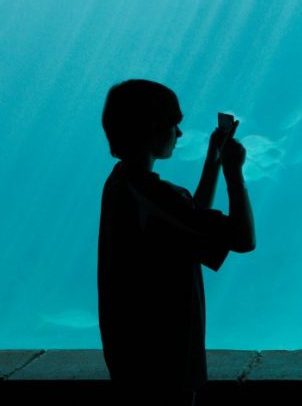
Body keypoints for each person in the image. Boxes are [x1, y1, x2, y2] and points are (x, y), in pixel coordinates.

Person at [97, 79, 255, 405]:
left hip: (134, 360)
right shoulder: (154, 197)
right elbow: (242, 239)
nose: (180, 134)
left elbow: (191, 217)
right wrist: (233, 172)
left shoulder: (120, 182)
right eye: (174, 125)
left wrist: (212, 159)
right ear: (152, 128)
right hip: (164, 364)